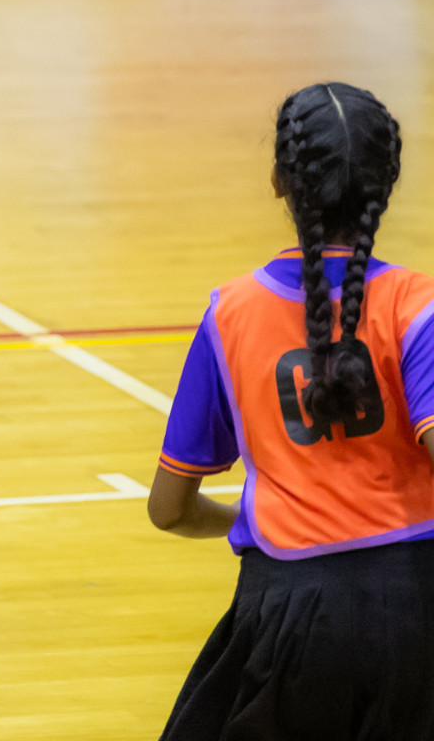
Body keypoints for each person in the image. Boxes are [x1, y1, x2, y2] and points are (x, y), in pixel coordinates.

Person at [149, 82, 434, 738]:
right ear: (386, 183)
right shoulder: (419, 308)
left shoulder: (231, 313)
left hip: (283, 614)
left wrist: (248, 516)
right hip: (415, 608)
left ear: (280, 181)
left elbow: (169, 510)